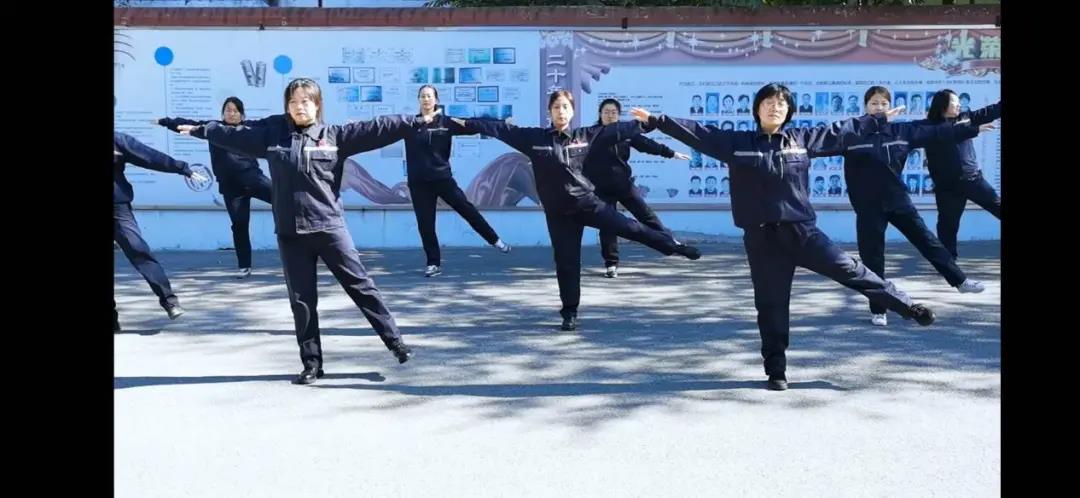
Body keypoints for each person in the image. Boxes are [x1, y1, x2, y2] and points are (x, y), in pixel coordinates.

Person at [637, 82, 937, 391]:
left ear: (789, 111)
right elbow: (698, 132)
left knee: (852, 270)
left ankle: (908, 307)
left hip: (803, 233)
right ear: (757, 108)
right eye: (768, 102)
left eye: (781, 103)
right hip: (762, 239)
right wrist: (658, 121)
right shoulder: (736, 143)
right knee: (771, 306)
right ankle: (776, 370)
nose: (775, 107)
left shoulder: (801, 140)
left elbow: (840, 131)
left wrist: (876, 119)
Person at [171, 77, 418, 384]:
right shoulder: (273, 139)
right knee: (302, 301)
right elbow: (233, 135)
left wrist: (414, 121)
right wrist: (201, 130)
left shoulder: (334, 136)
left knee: (361, 286)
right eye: (293, 102)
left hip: (329, 228)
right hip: (291, 234)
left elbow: (378, 128)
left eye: (305, 101)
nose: (299, 107)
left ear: (317, 104)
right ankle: (312, 363)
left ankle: (395, 343)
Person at [449, 90, 701, 331]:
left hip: (587, 204)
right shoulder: (535, 139)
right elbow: (501, 129)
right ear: (549, 111)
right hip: (558, 214)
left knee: (630, 228)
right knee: (566, 263)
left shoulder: (585, 135)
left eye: (565, 107)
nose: (561, 111)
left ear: (572, 111)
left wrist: (648, 123)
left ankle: (673, 247)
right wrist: (468, 123)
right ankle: (569, 312)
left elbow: (618, 130)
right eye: (556, 107)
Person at [843, 86, 987, 326]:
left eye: (883, 104)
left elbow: (939, 131)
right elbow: (820, 142)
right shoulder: (852, 134)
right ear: (866, 107)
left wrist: (972, 129)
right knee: (873, 257)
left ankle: (960, 281)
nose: (879, 108)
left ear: (890, 106)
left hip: (898, 201)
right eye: (874, 103)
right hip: (868, 207)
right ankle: (878, 310)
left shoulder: (901, 131)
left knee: (927, 241)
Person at [157, 96, 273, 279]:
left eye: (235, 110)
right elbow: (187, 124)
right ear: (222, 113)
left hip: (254, 180)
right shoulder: (214, 129)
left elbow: (270, 125)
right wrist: (165, 122)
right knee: (239, 225)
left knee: (285, 201)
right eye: (228, 110)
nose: (231, 113)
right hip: (231, 188)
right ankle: (244, 266)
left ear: (242, 115)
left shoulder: (249, 128)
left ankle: (310, 245)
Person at [402, 85, 511, 277]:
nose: (426, 99)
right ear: (418, 99)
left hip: (442, 179)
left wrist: (502, 123)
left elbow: (474, 125)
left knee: (467, 210)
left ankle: (495, 241)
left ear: (436, 100)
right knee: (426, 225)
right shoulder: (410, 124)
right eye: (423, 96)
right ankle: (433, 263)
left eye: (429, 96)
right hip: (419, 184)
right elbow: (382, 130)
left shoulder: (447, 122)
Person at [583, 98, 691, 278]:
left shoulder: (624, 132)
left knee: (646, 215)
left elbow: (647, 145)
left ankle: (671, 242)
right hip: (601, 189)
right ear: (600, 114)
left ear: (618, 115)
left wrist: (671, 153)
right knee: (608, 226)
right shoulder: (592, 134)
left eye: (613, 112)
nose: (610, 115)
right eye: (606, 112)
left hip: (624, 185)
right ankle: (611, 264)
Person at [113, 132, 208, 332]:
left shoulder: (118, 141)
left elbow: (149, 156)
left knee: (138, 250)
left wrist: (182, 168)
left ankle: (169, 301)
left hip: (118, 209)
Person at [918, 89, 1001, 258]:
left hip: (973, 180)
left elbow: (989, 112)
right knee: (948, 225)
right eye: (954, 102)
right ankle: (948, 261)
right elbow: (948, 133)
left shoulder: (965, 118)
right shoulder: (929, 127)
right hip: (947, 187)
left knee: (997, 206)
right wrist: (974, 130)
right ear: (943, 105)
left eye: (958, 102)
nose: (958, 105)